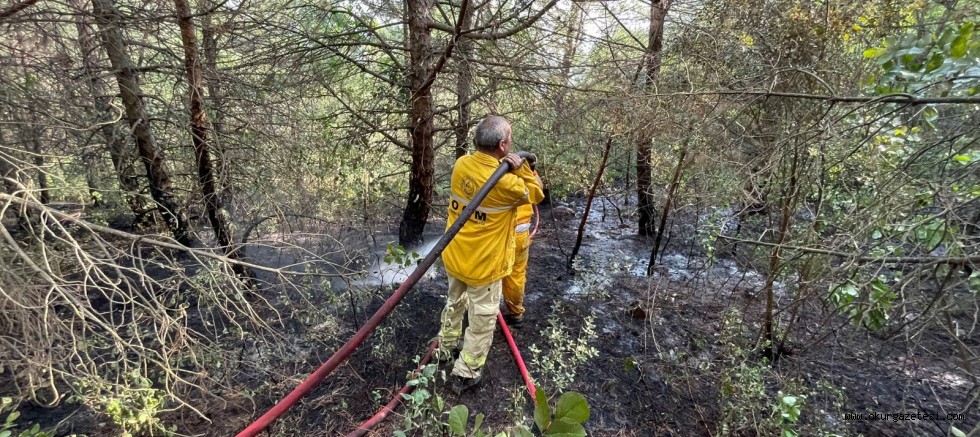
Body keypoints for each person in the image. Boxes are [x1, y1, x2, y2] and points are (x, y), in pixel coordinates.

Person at [436, 115, 544, 395]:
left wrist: (504, 166)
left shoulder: (461, 165)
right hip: (483, 266)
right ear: (502, 145)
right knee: (483, 318)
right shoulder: (507, 185)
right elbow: (536, 194)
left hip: (455, 254)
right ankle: (467, 371)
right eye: (509, 141)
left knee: (454, 302)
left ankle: (445, 350)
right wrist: (520, 168)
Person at [501, 161, 542, 327]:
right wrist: (529, 170)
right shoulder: (525, 169)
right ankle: (516, 313)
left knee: (491, 270)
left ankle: (483, 309)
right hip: (520, 234)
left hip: (501, 232)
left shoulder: (495, 169)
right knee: (516, 274)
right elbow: (538, 189)